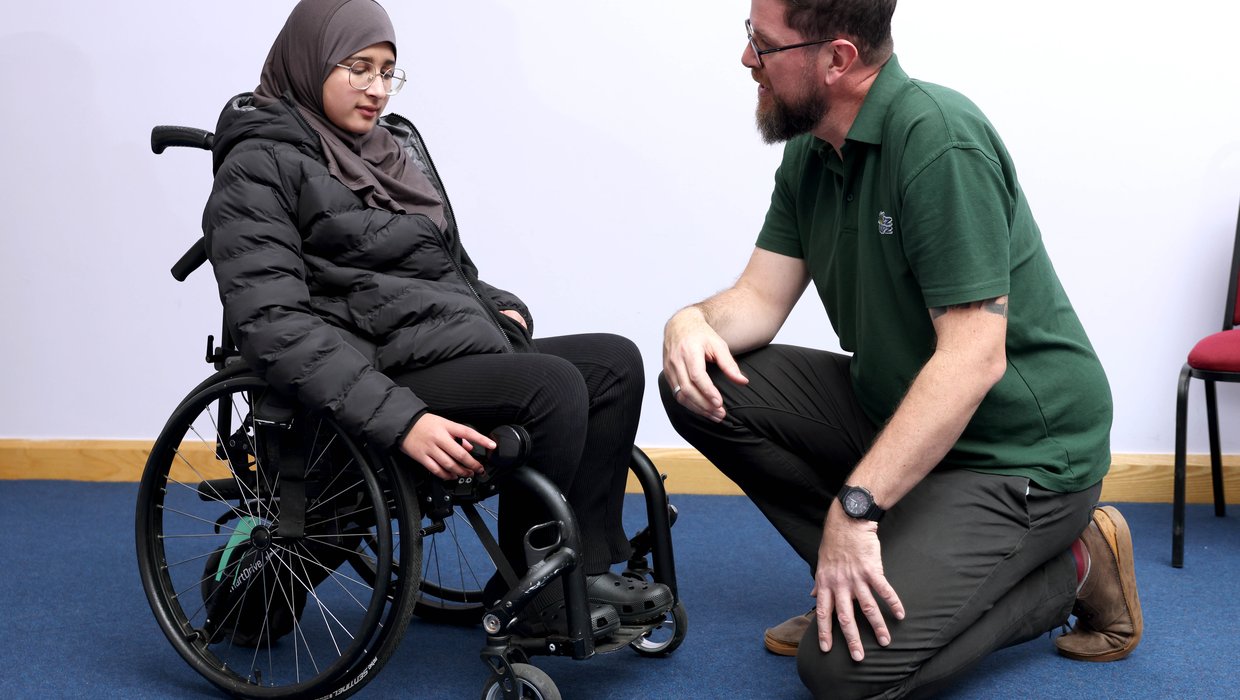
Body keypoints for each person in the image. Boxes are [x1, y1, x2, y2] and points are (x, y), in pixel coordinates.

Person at [660, 0, 1140, 696]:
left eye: (763, 45)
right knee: (699, 386)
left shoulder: (938, 141)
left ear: (838, 59)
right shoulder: (814, 148)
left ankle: (1074, 567)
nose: (746, 60)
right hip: (901, 411)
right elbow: (758, 301)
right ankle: (847, 588)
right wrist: (689, 320)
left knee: (840, 677)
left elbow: (974, 359)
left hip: (1016, 452)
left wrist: (855, 505)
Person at [202, 0, 672, 637]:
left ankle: (581, 569)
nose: (376, 88)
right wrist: (406, 419)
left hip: (436, 351)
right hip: (374, 376)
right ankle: (536, 596)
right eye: (358, 67)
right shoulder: (258, 164)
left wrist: (499, 307)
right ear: (311, 60)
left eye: (387, 70)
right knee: (552, 386)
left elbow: (448, 269)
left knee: (613, 362)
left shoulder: (392, 151)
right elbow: (273, 325)